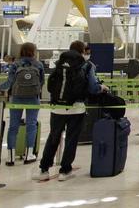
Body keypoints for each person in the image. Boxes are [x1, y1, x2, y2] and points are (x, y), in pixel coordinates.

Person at [35, 40, 108, 181]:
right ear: (83, 51)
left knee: (53, 138)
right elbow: (93, 87)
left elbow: (51, 86)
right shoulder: (87, 65)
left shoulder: (59, 63)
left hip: (57, 107)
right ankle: (65, 170)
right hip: (76, 108)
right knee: (71, 139)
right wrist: (102, 88)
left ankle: (43, 170)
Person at [0, 42, 44, 166]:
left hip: (17, 98)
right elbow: (41, 82)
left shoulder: (15, 64)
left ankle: (10, 157)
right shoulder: (38, 64)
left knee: (13, 126)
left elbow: (9, 82)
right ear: (33, 51)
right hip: (33, 98)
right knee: (31, 125)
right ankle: (29, 154)